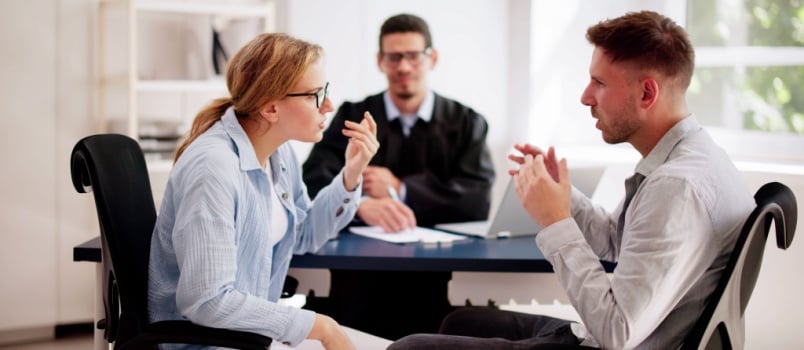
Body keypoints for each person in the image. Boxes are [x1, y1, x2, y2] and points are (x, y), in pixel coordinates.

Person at [389, 10, 754, 350]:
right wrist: (564, 197)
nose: (585, 97)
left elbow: (616, 332)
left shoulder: (676, 187)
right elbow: (616, 242)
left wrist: (555, 221)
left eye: (599, 83)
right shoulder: (695, 158)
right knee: (460, 319)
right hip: (603, 333)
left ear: (647, 93)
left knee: (408, 348)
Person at [147, 33, 379, 350]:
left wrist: (351, 174)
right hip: (208, 345)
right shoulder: (213, 169)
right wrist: (321, 327)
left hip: (250, 338)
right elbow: (207, 300)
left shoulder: (277, 154)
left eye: (326, 90)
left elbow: (305, 234)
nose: (329, 105)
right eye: (315, 94)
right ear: (270, 108)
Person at [301, 13, 495, 339]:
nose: (404, 67)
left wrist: (402, 189)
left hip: (437, 276)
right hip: (359, 273)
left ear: (431, 58)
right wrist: (358, 203)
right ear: (380, 61)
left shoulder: (466, 122)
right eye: (394, 57)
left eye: (413, 56)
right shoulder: (352, 116)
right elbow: (313, 180)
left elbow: (476, 197)